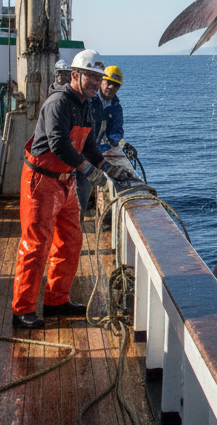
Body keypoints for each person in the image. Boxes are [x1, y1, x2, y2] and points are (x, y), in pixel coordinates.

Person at [11, 49, 131, 329]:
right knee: (35, 244)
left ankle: (56, 300)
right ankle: (23, 309)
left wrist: (106, 167)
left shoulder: (86, 104)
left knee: (71, 240)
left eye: (97, 77)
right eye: (89, 76)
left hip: (64, 182)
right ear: (75, 75)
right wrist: (88, 170)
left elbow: (88, 145)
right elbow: (58, 144)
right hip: (41, 181)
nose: (94, 82)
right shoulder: (59, 102)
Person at [79, 64, 136, 223]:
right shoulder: (89, 100)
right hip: (76, 154)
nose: (111, 87)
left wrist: (123, 144)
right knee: (71, 196)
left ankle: (82, 228)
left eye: (116, 85)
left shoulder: (116, 108)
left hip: (93, 156)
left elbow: (114, 132)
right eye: (108, 82)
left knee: (82, 195)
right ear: (101, 82)